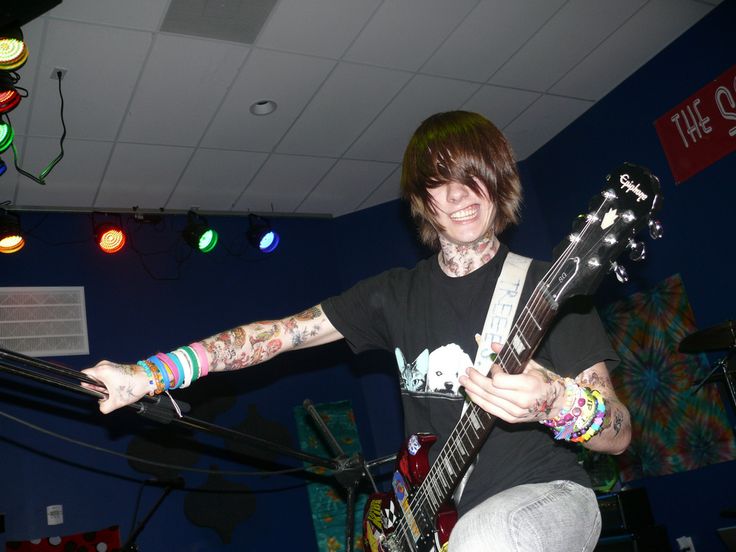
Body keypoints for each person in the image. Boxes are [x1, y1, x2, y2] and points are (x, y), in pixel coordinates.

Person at [83, 111, 631, 551]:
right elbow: (277, 335)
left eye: (474, 176)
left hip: (546, 497)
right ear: (424, 199)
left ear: (500, 183)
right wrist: (150, 374)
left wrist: (557, 399)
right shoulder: (392, 294)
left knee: (484, 540)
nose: (460, 194)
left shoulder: (552, 289)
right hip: (438, 516)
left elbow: (619, 433)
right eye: (441, 181)